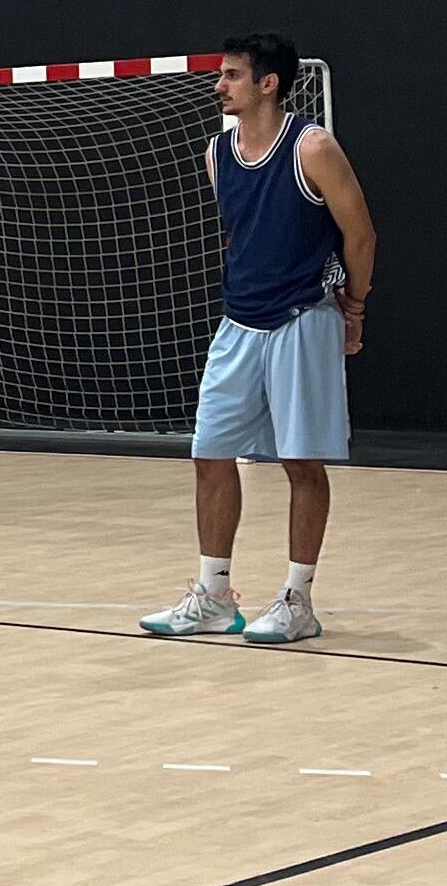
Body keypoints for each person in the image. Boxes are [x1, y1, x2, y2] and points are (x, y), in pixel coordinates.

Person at [143, 37, 377, 645]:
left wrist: (353, 306)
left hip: (304, 318)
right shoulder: (217, 152)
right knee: (210, 453)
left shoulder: (313, 147)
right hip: (238, 322)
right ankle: (214, 595)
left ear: (268, 83)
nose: (219, 85)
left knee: (302, 462)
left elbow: (361, 233)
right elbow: (241, 234)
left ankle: (298, 600)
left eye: (231, 76)